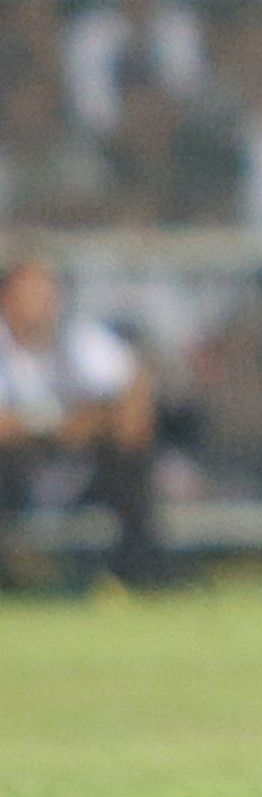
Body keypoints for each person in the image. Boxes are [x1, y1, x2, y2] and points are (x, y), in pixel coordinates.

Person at [0, 253, 162, 590]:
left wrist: (94, 422)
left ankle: (137, 577)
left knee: (129, 461)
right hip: (16, 468)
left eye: (48, 293)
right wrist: (42, 426)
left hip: (77, 463)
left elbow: (134, 387)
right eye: (31, 293)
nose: (42, 303)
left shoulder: (81, 341)